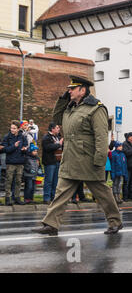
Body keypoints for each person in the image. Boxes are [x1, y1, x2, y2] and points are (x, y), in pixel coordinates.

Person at [32, 75, 122, 235]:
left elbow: (101, 137)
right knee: (61, 193)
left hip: (88, 159)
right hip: (71, 157)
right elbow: (57, 119)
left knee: (101, 192)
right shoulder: (70, 108)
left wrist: (100, 160)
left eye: (72, 88)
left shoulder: (96, 109)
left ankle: (115, 221)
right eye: (69, 88)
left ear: (83, 90)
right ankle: (51, 224)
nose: (69, 90)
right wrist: (62, 100)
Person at [2, 120, 28, 205]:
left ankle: (17, 197)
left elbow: (26, 146)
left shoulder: (22, 137)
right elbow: (5, 149)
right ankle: (7, 198)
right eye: (11, 128)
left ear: (18, 129)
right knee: (9, 181)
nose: (12, 130)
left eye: (14, 128)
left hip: (20, 162)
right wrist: (14, 146)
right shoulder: (7, 137)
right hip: (11, 162)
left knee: (18, 181)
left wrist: (24, 149)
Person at [42, 123, 63, 204]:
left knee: (56, 181)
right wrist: (59, 144)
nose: (59, 129)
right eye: (57, 128)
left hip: (57, 161)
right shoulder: (46, 138)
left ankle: (53, 197)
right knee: (48, 181)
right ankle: (46, 198)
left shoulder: (58, 137)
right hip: (50, 162)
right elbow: (48, 148)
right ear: (52, 129)